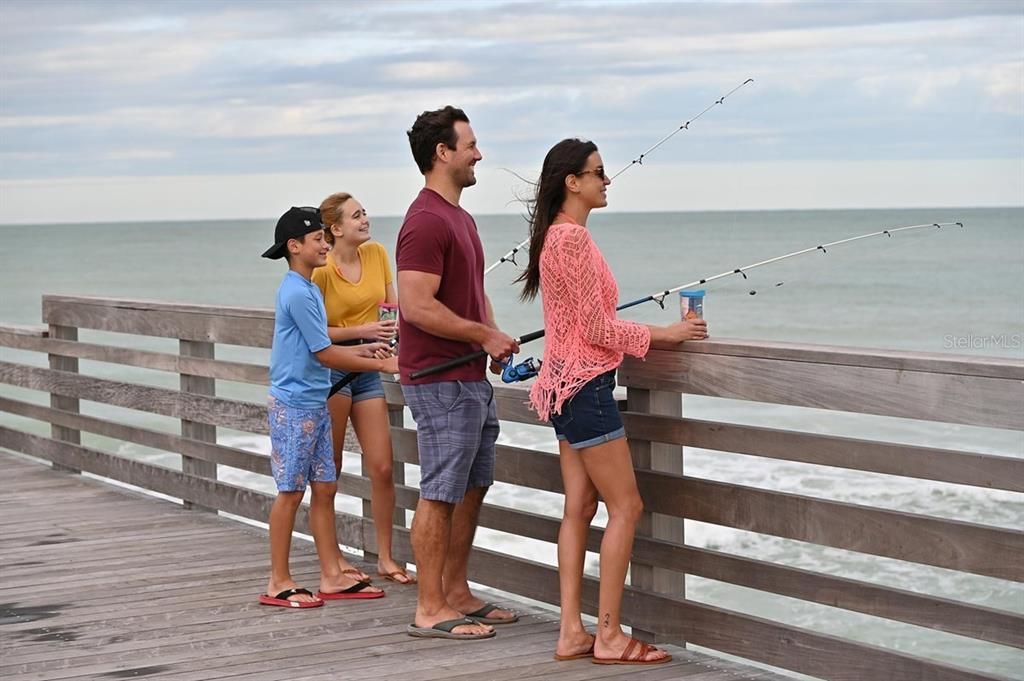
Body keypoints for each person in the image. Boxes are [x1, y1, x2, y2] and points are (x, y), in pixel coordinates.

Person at [517, 139, 708, 664]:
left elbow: (572, 325)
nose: (607, 180)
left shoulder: (553, 238)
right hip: (584, 388)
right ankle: (608, 635)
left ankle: (572, 632)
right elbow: (597, 327)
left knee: (579, 507)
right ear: (570, 182)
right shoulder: (572, 241)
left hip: (561, 387)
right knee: (627, 506)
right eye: (598, 173)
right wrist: (667, 335)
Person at [396, 106, 519, 640]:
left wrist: (491, 335)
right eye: (470, 144)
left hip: (470, 376)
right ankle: (429, 607)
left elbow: (475, 291)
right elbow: (416, 306)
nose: (479, 153)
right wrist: (480, 335)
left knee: (473, 486)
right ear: (442, 153)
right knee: (441, 490)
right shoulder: (424, 221)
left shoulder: (460, 218)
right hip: (438, 378)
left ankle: (456, 592)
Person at [258, 206, 397, 608]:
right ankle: (278, 581)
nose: (325, 244)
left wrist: (369, 346)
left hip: (316, 402)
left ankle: (331, 576)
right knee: (289, 492)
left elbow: (326, 344)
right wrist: (383, 362)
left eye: (325, 237)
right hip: (294, 405)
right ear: (294, 246)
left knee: (326, 484)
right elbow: (324, 355)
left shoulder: (309, 287)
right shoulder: (296, 292)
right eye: (318, 239)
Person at [311, 192, 414, 585]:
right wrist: (363, 331)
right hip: (335, 369)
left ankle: (386, 558)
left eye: (365, 212)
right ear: (335, 229)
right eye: (356, 216)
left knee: (383, 466)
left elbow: (391, 308)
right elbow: (317, 333)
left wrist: (391, 332)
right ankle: (333, 557)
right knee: (330, 469)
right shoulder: (321, 269)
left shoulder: (377, 255)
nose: (365, 219)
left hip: (372, 366)